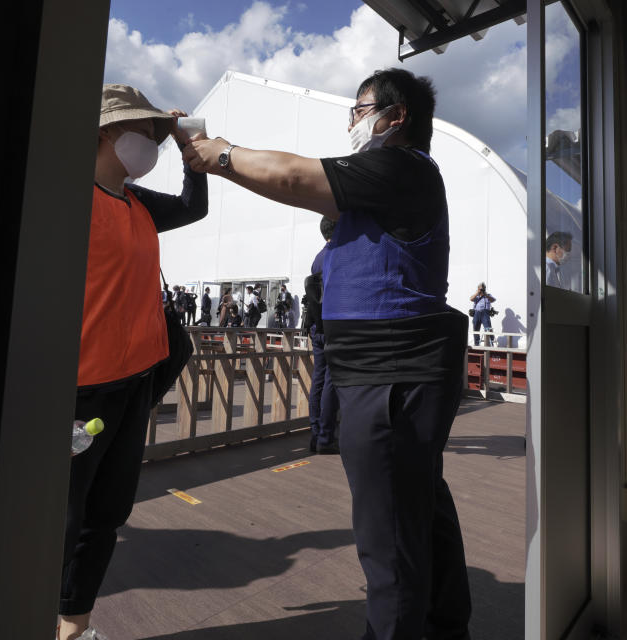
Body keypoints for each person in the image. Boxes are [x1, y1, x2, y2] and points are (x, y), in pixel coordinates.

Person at [184, 67, 472, 640]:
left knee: (386, 532)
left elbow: (292, 176)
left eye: (359, 109)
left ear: (397, 117)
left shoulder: (398, 167)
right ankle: (444, 624)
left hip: (390, 376)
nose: (352, 122)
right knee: (418, 505)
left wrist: (218, 153)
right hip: (394, 372)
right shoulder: (388, 187)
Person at [61, 84, 207, 640]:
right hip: (78, 390)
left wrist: (179, 141)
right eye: (142, 134)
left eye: (154, 136)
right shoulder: (63, 196)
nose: (151, 146)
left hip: (134, 383)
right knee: (61, 518)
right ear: (103, 133)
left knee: (107, 513)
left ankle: (75, 625)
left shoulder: (140, 202)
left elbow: (195, 206)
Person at [306, 217, 340, 455]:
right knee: (331, 380)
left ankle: (316, 433)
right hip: (333, 327)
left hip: (316, 327)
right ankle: (326, 437)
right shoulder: (338, 255)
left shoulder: (318, 257)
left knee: (318, 379)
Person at [470, 282, 496, 346]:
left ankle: (491, 344)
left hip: (485, 313)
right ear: (478, 288)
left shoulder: (488, 295)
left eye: (483, 289)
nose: (482, 290)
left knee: (488, 329)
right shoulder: (476, 296)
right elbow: (471, 299)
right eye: (481, 289)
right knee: (475, 329)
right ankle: (476, 344)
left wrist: (485, 295)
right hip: (477, 313)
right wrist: (477, 292)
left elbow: (493, 300)